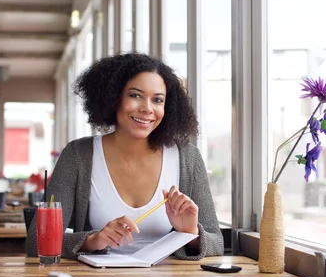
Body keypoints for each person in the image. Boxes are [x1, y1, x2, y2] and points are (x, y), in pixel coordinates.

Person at [26, 53, 224, 260]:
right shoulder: (78, 155)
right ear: (113, 98)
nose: (147, 108)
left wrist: (190, 234)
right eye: (135, 95)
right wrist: (94, 240)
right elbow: (35, 241)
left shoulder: (187, 157)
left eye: (157, 100)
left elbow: (217, 242)